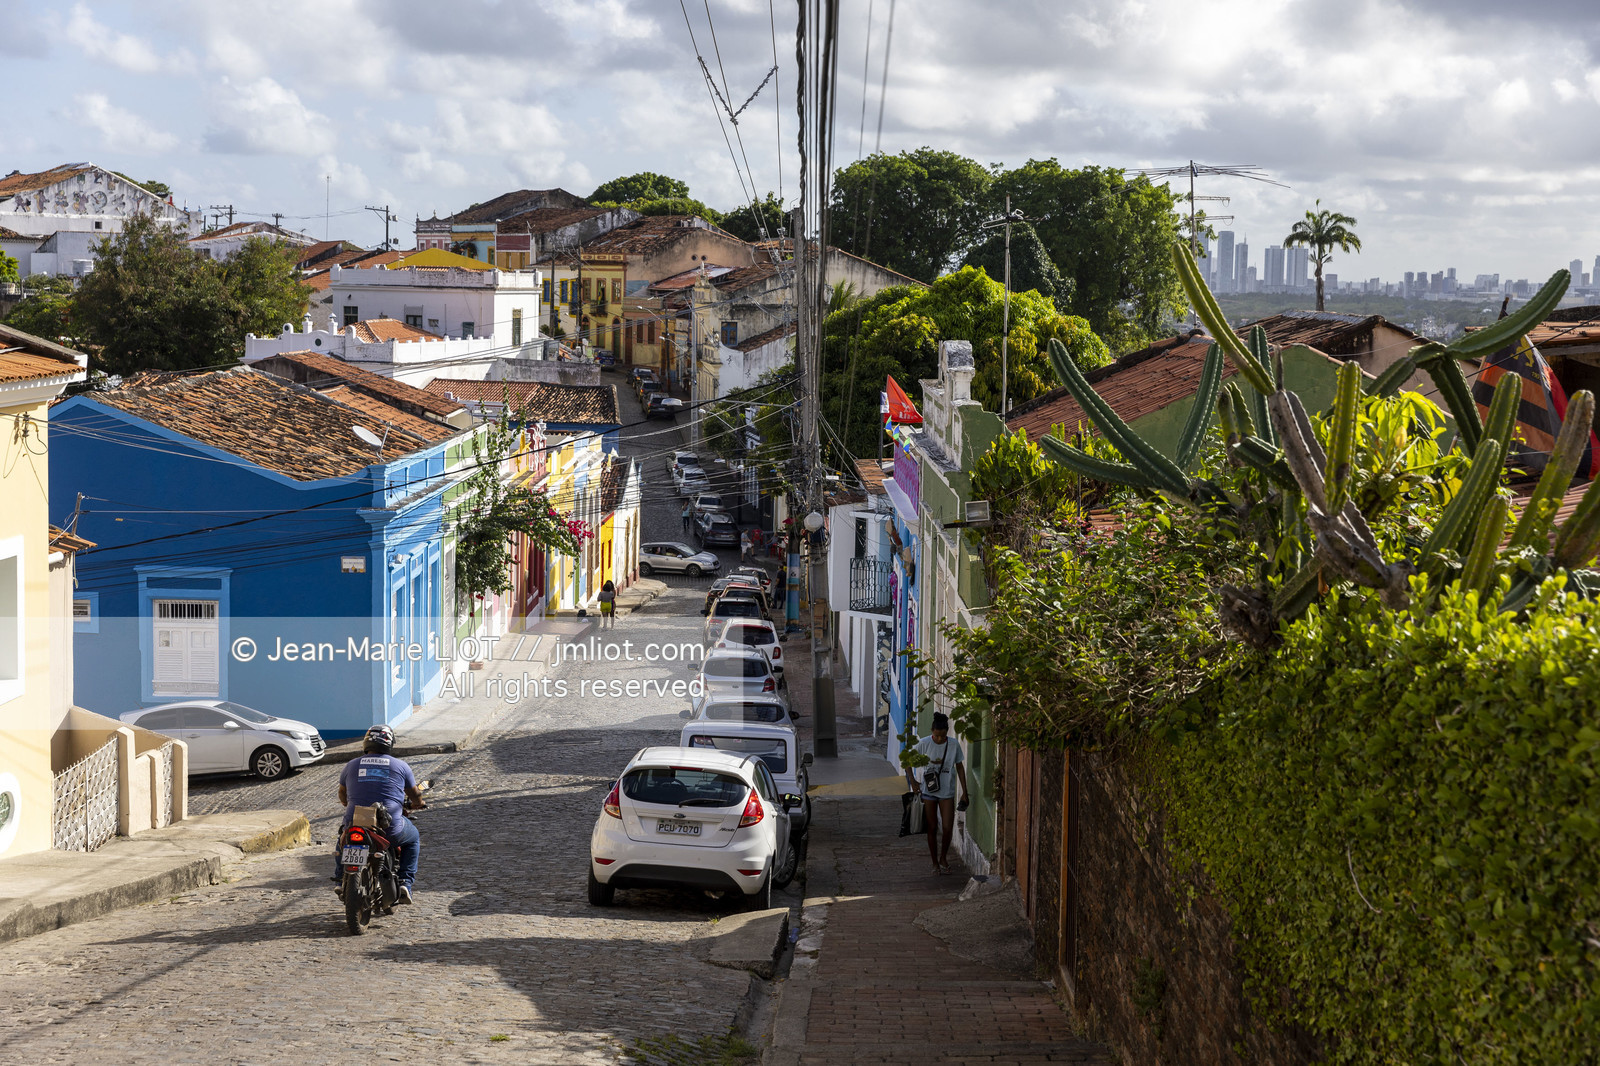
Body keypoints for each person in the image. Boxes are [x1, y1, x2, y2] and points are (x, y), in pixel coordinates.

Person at [334, 725, 426, 903]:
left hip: (356, 821)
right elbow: (415, 794)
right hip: (388, 827)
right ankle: (405, 883)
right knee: (413, 838)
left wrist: (346, 803)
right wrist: (418, 804)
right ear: (390, 744)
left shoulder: (351, 765)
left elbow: (342, 793)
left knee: (342, 839)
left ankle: (339, 878)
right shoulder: (401, 766)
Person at [904, 713, 969, 875]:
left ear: (947, 732)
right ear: (932, 731)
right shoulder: (924, 743)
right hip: (928, 791)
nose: (939, 739)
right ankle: (934, 862)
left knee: (947, 828)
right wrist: (913, 781)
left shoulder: (953, 745)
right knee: (932, 828)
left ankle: (943, 857)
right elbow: (906, 761)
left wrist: (964, 792)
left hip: (947, 792)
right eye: (936, 735)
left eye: (943, 736)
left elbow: (959, 767)